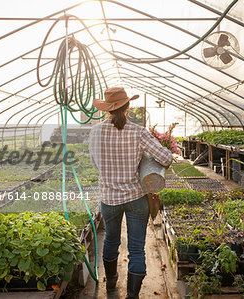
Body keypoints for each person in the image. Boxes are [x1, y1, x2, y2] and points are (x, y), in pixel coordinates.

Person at [89, 87, 172, 299]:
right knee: (137, 249)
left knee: (111, 242)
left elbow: (95, 164)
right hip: (136, 197)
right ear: (128, 107)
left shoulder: (96, 132)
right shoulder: (139, 131)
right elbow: (166, 158)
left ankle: (110, 287)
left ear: (107, 109)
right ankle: (133, 295)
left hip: (109, 198)